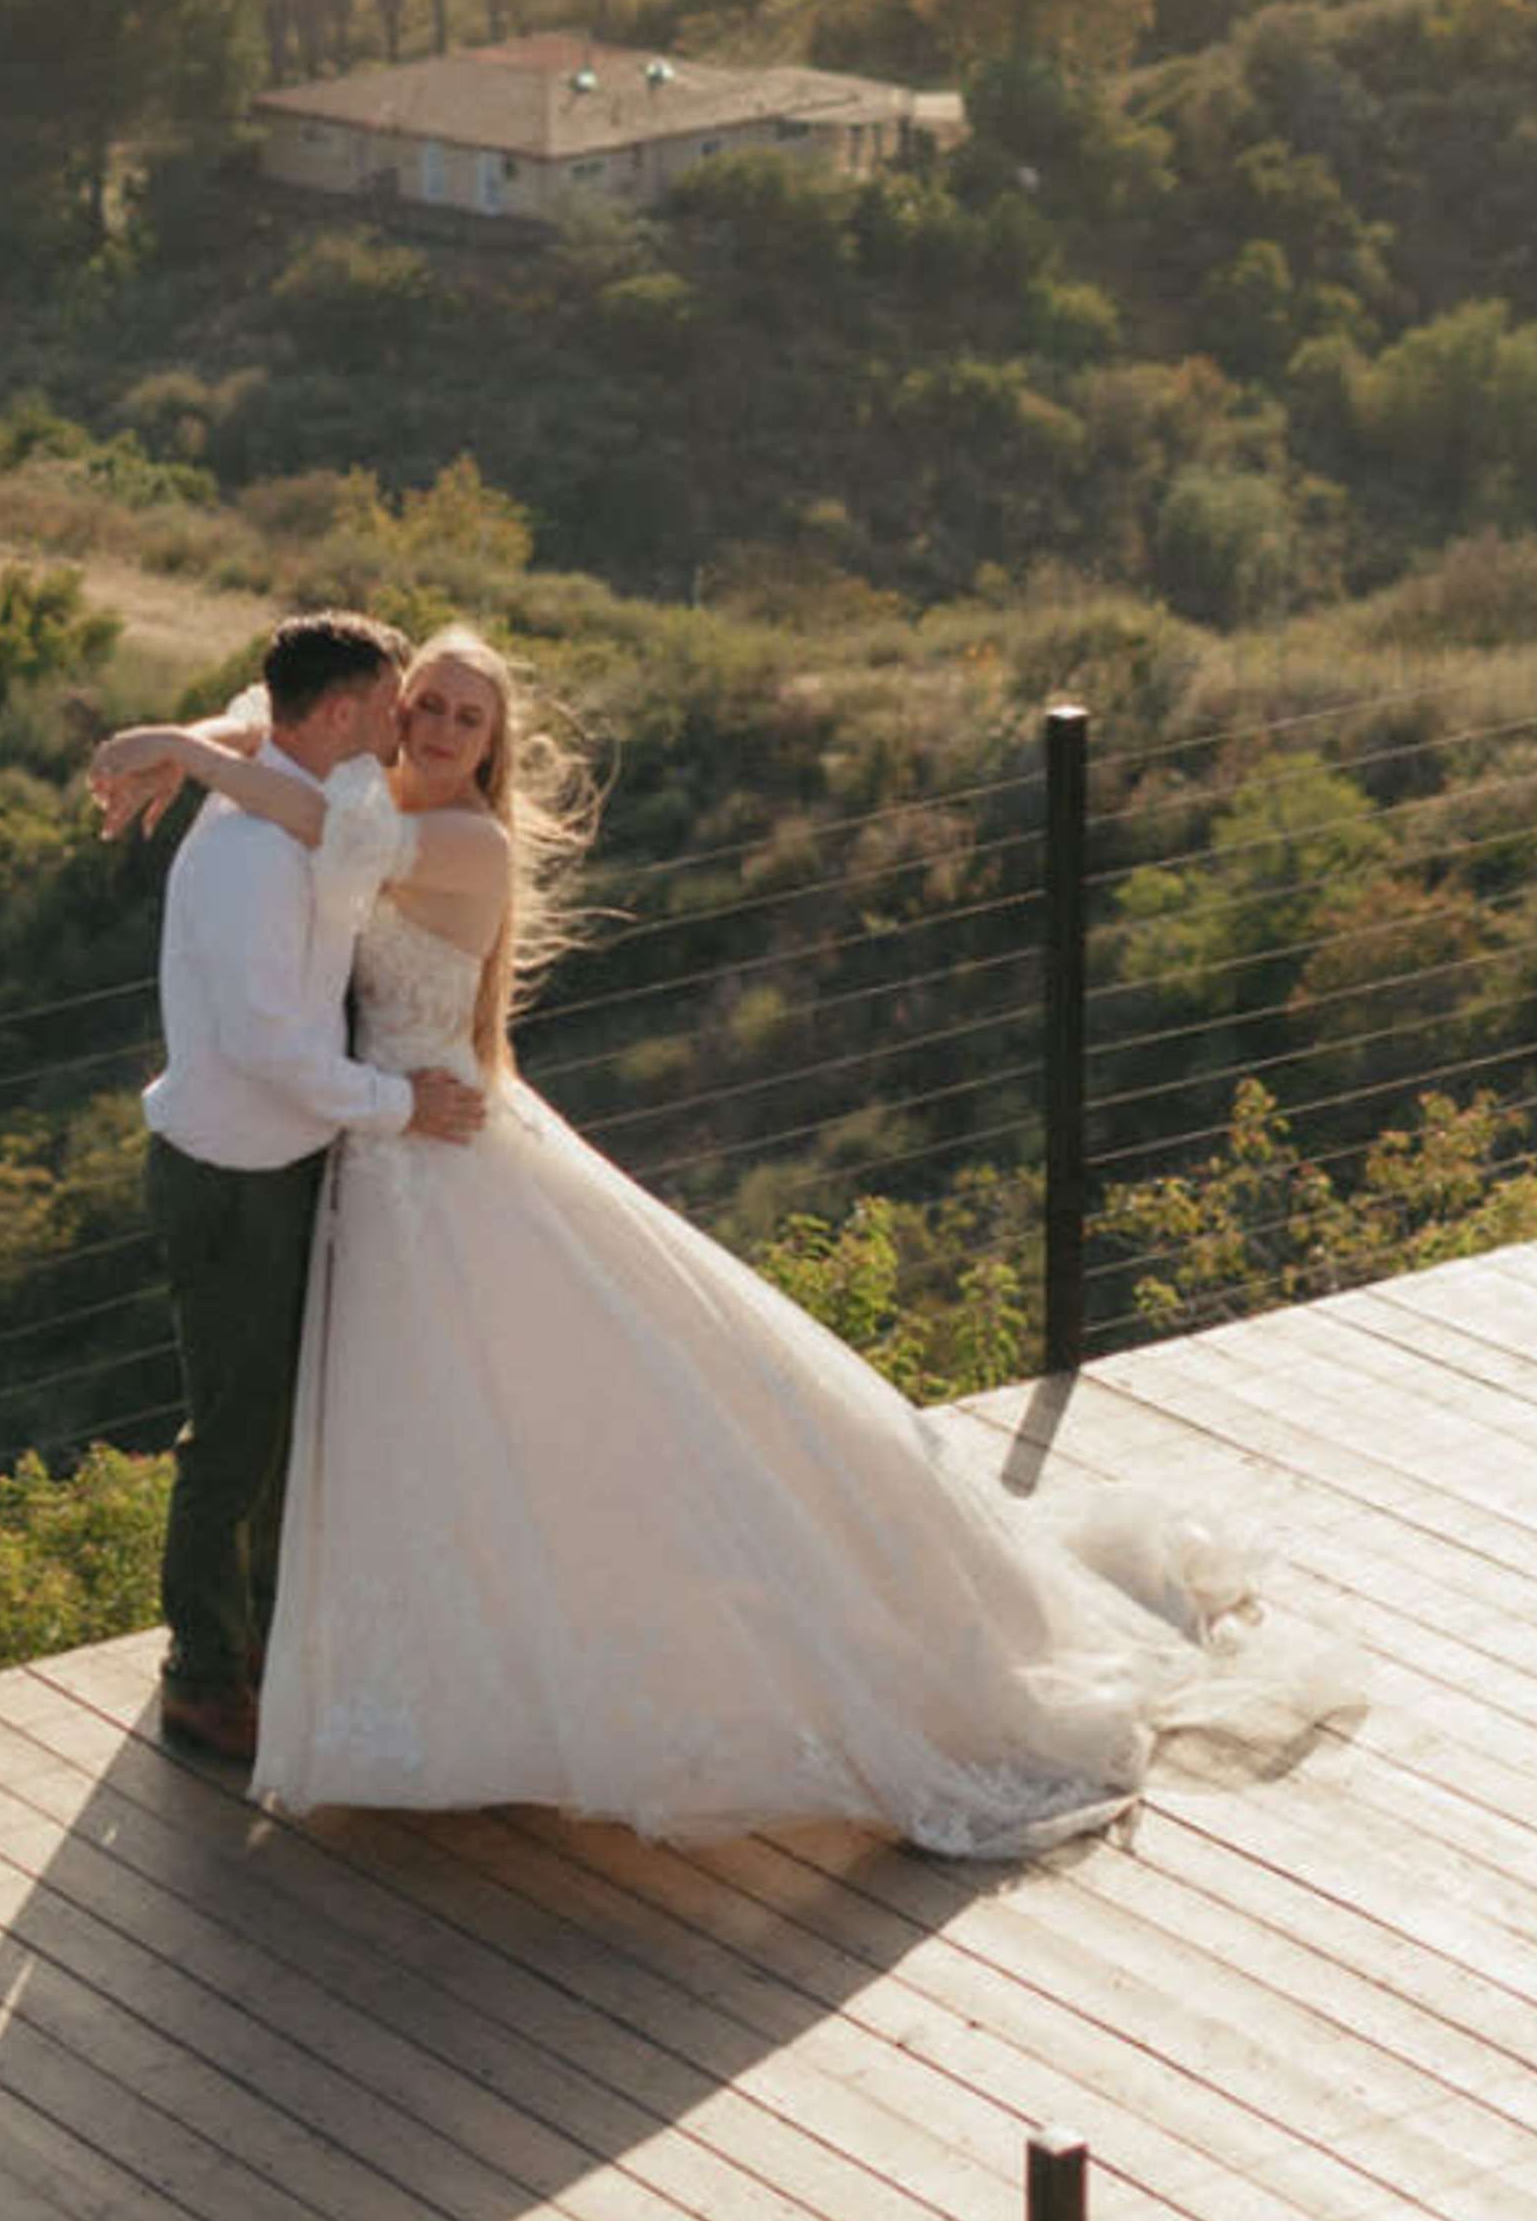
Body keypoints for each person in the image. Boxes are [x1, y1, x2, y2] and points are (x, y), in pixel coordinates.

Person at [94, 624, 1358, 1852]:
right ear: (379, 709)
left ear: (493, 748)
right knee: (416, 1425)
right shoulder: (356, 772)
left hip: (435, 1135)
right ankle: (374, 1664)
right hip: (375, 1158)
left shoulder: (456, 839)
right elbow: (280, 721)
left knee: (572, 1412)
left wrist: (188, 753)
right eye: (421, 701)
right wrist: (190, 736)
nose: (431, 725)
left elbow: (318, 814)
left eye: (464, 717)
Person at [134, 608, 485, 1773]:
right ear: (339, 716)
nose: (404, 729)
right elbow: (274, 1048)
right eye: (393, 707)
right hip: (232, 1176)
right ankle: (201, 1677)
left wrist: (169, 742)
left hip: (286, 1166)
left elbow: (251, 709)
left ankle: (263, 1643)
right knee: (232, 1436)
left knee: (282, 1419)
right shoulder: (248, 853)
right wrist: (403, 1109)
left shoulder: (312, 789)